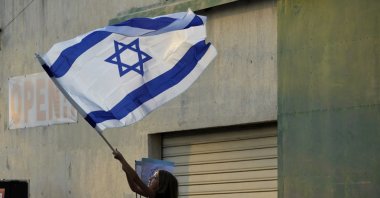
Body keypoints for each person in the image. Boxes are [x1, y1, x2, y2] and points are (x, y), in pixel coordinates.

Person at [113, 149, 178, 198]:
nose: (150, 178)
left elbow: (136, 179)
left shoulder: (157, 196)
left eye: (155, 177)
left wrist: (122, 159)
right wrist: (127, 171)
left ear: (162, 184)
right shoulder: (151, 194)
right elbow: (134, 188)